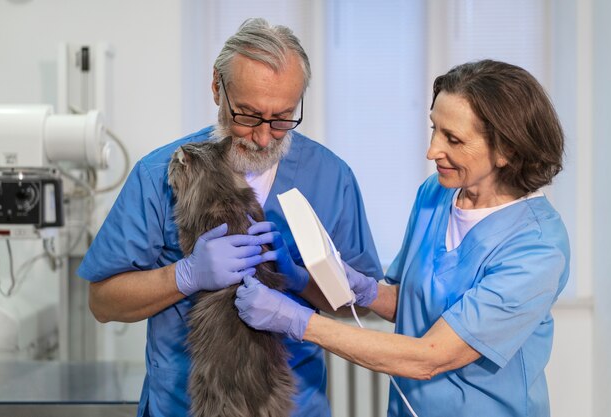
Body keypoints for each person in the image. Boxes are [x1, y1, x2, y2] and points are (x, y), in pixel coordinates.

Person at [77, 18, 382, 417]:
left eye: (282, 117)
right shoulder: (162, 175)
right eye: (249, 115)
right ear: (217, 88)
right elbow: (103, 302)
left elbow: (362, 304)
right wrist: (184, 275)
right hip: (184, 406)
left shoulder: (331, 177)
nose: (263, 136)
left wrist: (303, 282)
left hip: (293, 406)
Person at [236, 59, 570, 417]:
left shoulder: (537, 247)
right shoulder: (437, 193)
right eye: (434, 129)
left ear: (508, 150)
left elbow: (431, 356)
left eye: (453, 139)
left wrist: (297, 321)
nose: (432, 151)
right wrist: (358, 287)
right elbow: (408, 304)